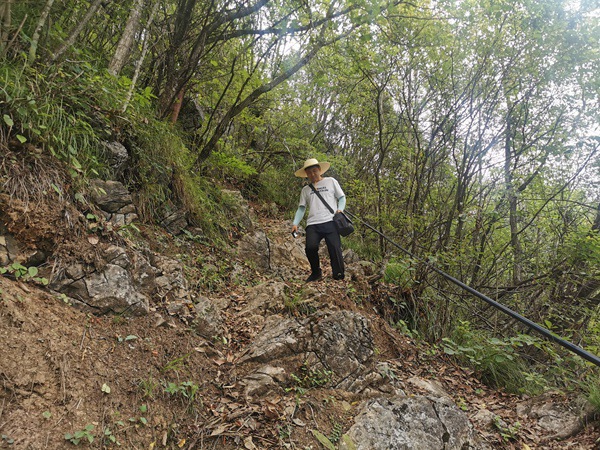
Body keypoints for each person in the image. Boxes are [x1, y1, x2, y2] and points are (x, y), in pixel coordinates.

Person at [291, 158, 346, 282]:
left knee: (335, 249)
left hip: (330, 221)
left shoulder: (331, 181)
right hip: (313, 224)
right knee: (310, 247)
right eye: (309, 173)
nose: (312, 174)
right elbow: (301, 208)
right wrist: (295, 223)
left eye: (314, 171)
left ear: (320, 170)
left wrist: (340, 209)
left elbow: (341, 197)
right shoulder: (305, 190)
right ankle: (316, 273)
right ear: (306, 174)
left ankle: (338, 274)